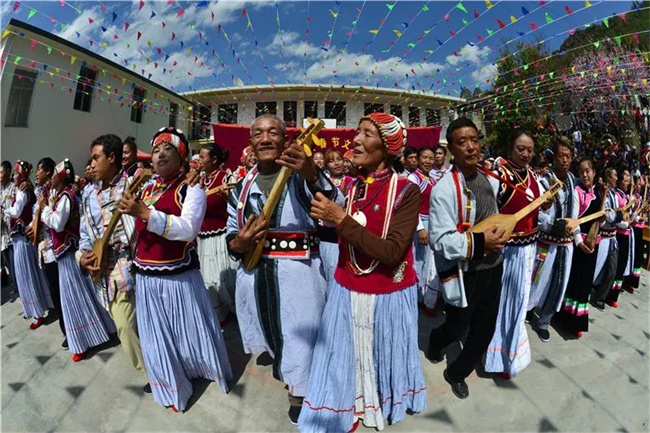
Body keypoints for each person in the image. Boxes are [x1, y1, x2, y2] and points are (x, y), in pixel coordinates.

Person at [298, 113, 426, 432]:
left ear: (387, 147)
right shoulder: (354, 185)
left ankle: (379, 398)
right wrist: (308, 172)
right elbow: (332, 209)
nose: (355, 140)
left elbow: (393, 253)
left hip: (387, 293)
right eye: (357, 132)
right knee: (347, 354)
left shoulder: (407, 191)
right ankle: (353, 400)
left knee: (381, 353)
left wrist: (340, 219)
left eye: (367, 134)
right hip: (348, 285)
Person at [226, 114, 343, 425]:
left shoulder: (300, 176)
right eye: (258, 133)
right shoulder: (240, 189)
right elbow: (230, 235)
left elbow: (333, 206)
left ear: (285, 139)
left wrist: (312, 175)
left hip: (298, 277)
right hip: (255, 275)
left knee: (300, 338)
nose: (265, 138)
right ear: (250, 142)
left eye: (273, 132)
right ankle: (287, 370)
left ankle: (299, 392)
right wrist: (240, 242)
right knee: (271, 333)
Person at [119, 127, 232, 412]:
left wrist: (145, 213)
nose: (158, 154)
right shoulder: (146, 188)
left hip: (177, 276)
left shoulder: (191, 188)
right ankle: (172, 384)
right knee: (157, 337)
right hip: (146, 274)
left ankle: (195, 370)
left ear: (181, 156)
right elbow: (136, 231)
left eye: (166, 149)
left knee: (185, 332)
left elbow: (188, 229)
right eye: (155, 150)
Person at [426, 117, 505, 399]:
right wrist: (481, 241)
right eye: (462, 142)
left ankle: (456, 372)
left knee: (485, 329)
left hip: (494, 266)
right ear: (452, 150)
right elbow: (440, 240)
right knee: (458, 327)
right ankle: (436, 340)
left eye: (475, 140)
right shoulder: (444, 189)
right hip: (465, 271)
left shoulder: (491, 179)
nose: (471, 147)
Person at [78, 134, 147, 386]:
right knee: (127, 327)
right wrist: (83, 257)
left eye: (96, 158)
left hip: (138, 268)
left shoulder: (135, 184)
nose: (91, 163)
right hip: (105, 273)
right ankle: (153, 373)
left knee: (132, 327)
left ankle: (160, 373)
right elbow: (84, 235)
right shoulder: (87, 194)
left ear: (112, 158)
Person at [40, 158, 116, 361]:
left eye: (54, 175)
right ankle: (92, 335)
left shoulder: (66, 196)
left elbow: (57, 223)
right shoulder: (58, 196)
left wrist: (44, 209)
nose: (51, 179)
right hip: (62, 254)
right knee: (74, 296)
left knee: (74, 295)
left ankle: (87, 339)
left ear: (60, 177)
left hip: (69, 253)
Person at [484, 130, 543, 379]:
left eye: (530, 150)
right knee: (500, 302)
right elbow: (488, 211)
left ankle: (511, 357)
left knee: (519, 302)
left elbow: (538, 212)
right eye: (521, 148)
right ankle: (495, 355)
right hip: (506, 251)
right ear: (510, 148)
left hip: (529, 249)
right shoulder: (499, 173)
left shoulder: (534, 177)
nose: (526, 154)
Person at [527, 137, 578, 343]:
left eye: (568, 156)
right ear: (553, 158)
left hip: (565, 246)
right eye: (561, 156)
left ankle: (544, 322)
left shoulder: (573, 181)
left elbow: (576, 210)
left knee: (557, 285)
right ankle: (527, 310)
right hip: (545, 241)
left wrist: (574, 231)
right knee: (536, 280)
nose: (564, 160)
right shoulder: (544, 181)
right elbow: (536, 212)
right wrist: (550, 225)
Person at [557, 158, 611, 337]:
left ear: (594, 172)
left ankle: (578, 320)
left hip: (593, 243)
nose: (585, 174)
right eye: (581, 172)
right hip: (579, 244)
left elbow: (600, 219)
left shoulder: (599, 192)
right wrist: (579, 242)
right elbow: (574, 220)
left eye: (588, 171)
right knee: (575, 281)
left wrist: (603, 217)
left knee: (585, 283)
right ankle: (566, 320)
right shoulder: (577, 192)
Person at [7, 160, 53, 330]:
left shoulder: (23, 191)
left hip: (23, 239)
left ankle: (37, 311)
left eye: (16, 174)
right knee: (27, 274)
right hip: (20, 238)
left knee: (27, 274)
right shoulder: (23, 189)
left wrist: (4, 210)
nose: (14, 176)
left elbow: (16, 211)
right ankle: (38, 307)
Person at [26, 158, 67, 342]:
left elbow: (54, 220)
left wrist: (43, 209)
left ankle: (68, 331)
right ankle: (67, 329)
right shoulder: (41, 192)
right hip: (46, 249)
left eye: (39, 170)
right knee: (54, 290)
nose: (36, 174)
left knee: (60, 293)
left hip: (56, 250)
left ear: (50, 172)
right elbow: (38, 216)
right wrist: (31, 227)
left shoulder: (56, 193)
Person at [197, 143, 236, 324]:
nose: (199, 160)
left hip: (220, 236)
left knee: (224, 279)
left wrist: (228, 197)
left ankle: (237, 312)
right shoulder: (200, 180)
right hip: (203, 237)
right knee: (207, 280)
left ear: (214, 160)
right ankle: (218, 315)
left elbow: (236, 205)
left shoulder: (225, 178)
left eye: (202, 157)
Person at [407, 146, 439, 315]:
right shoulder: (413, 178)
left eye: (431, 158)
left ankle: (424, 297)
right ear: (418, 159)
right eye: (425, 157)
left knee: (428, 263)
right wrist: (420, 229)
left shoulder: (433, 179)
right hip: (419, 224)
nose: (428, 161)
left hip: (432, 224)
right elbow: (411, 207)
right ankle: (414, 298)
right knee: (417, 262)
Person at [320, 148, 354, 281]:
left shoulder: (352, 181)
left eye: (339, 159)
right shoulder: (323, 182)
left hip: (345, 230)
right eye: (331, 161)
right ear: (326, 165)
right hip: (325, 232)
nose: (336, 163)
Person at [591, 169, 622, 311]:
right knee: (596, 268)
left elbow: (616, 212)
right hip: (603, 236)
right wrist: (617, 217)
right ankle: (588, 292)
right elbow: (607, 214)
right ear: (608, 177)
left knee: (611, 269)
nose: (617, 178)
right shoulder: (601, 192)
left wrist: (617, 217)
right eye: (614, 175)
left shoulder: (614, 194)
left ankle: (599, 297)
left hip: (612, 237)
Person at [607, 169, 633, 307]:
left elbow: (628, 214)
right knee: (615, 267)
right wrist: (625, 223)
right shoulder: (616, 195)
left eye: (629, 180)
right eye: (625, 179)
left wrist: (632, 219)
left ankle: (614, 294)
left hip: (627, 233)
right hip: (618, 233)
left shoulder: (626, 196)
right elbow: (617, 214)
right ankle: (608, 294)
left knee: (621, 265)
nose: (627, 182)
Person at [623, 179, 646, 293]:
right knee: (631, 254)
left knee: (638, 256)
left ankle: (633, 281)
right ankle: (625, 281)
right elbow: (630, 213)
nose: (639, 186)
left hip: (640, 229)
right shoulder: (631, 197)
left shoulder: (641, 197)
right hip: (634, 228)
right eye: (637, 183)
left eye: (640, 184)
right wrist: (638, 217)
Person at [1, 160, 17, 289]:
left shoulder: (14, 187)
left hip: (13, 234)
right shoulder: (1, 189)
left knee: (15, 264)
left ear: (7, 172)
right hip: (3, 235)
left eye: (1, 172)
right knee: (9, 265)